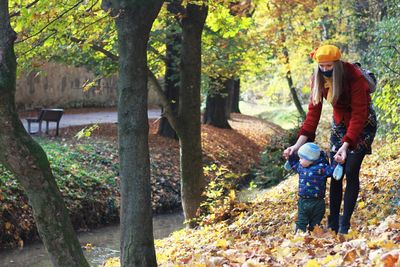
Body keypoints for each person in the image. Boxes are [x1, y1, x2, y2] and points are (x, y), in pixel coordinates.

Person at [283, 44, 377, 234]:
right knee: (336, 171)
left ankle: (345, 223)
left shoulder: (354, 78)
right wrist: (297, 144)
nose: (325, 70)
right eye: (322, 66)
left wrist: (346, 144)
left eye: (329, 66)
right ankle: (333, 222)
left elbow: (359, 114)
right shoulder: (317, 80)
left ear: (337, 63)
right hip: (340, 123)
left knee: (350, 170)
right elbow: (312, 117)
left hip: (363, 124)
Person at [285, 142, 340, 232]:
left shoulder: (321, 168)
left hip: (318, 202)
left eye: (302, 158)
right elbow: (294, 164)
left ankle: (313, 236)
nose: (299, 160)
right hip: (303, 201)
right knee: (301, 221)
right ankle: (299, 236)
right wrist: (291, 156)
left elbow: (332, 171)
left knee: (315, 222)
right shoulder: (301, 167)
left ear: (311, 159)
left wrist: (336, 161)